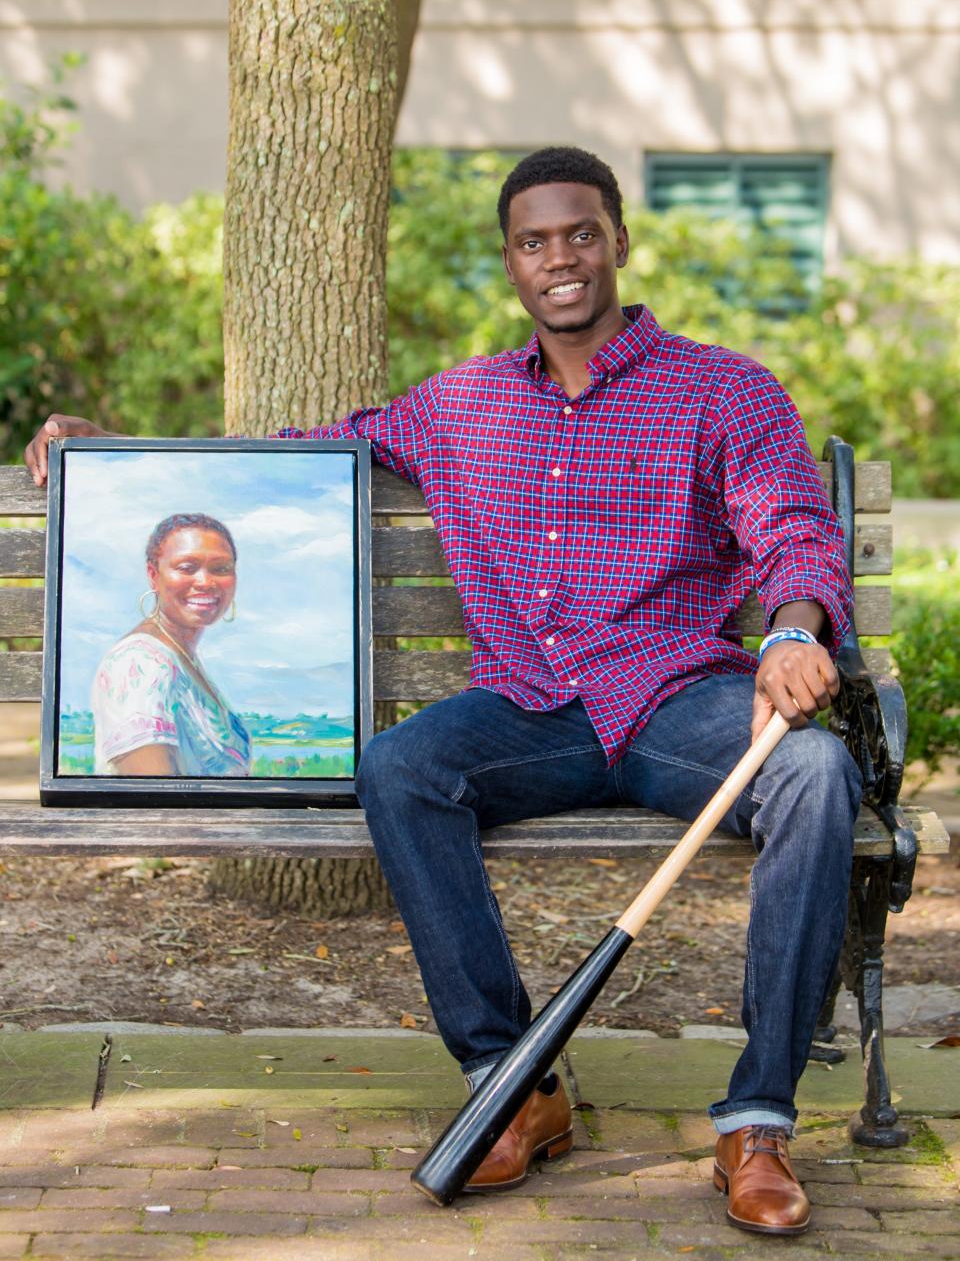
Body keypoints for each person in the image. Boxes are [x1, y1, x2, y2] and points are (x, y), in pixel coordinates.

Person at [26, 146, 860, 1236]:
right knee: (403, 763)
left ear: (616, 240)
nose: (558, 257)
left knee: (817, 769)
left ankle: (755, 1120)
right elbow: (293, 462)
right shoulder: (455, 405)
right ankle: (515, 1080)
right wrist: (117, 454)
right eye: (533, 241)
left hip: (670, 698)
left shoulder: (723, 389)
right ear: (510, 262)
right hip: (529, 711)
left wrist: (794, 631)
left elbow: (795, 528)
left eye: (579, 233)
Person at [90, 513, 251, 777]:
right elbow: (153, 795)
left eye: (221, 568)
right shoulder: (139, 664)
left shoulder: (181, 657)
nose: (206, 582)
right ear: (154, 575)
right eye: (187, 567)